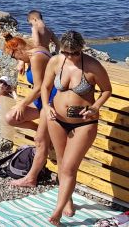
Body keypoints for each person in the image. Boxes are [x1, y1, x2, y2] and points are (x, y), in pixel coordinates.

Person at [43, 31, 111, 226]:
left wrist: (95, 107)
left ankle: (57, 211)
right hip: (56, 119)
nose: (70, 57)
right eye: (66, 53)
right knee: (62, 162)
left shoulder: (92, 66)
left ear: (82, 48)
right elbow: (45, 87)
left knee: (69, 167)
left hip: (84, 123)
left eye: (75, 53)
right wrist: (47, 107)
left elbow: (107, 90)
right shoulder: (56, 62)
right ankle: (67, 199)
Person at [3, 33, 54, 187]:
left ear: (19, 48)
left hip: (51, 102)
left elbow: (39, 88)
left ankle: (31, 178)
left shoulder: (36, 57)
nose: (16, 61)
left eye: (15, 57)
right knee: (11, 118)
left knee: (39, 140)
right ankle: (43, 131)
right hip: (41, 102)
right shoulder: (33, 53)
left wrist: (22, 104)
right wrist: (23, 63)